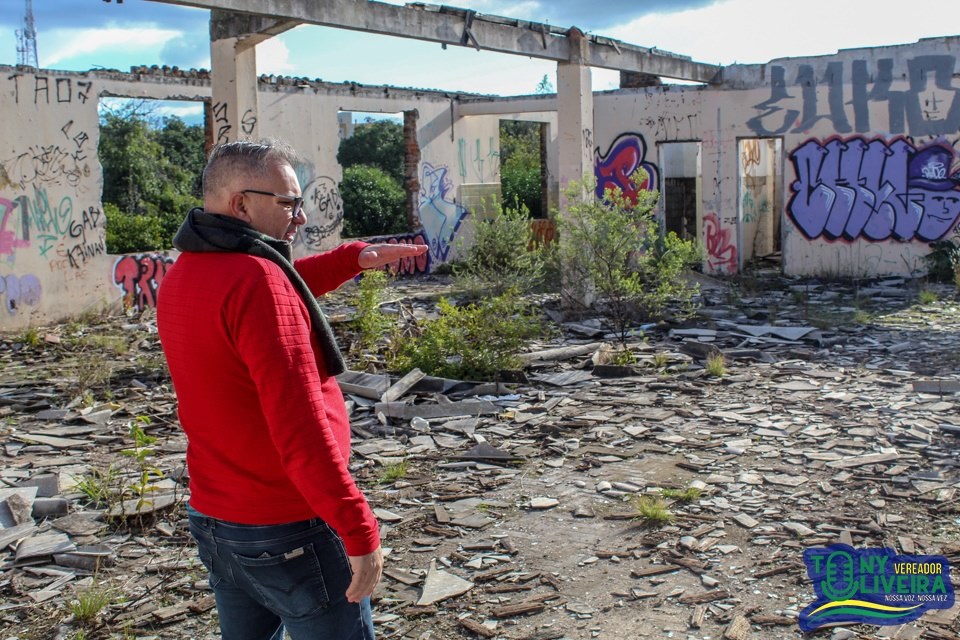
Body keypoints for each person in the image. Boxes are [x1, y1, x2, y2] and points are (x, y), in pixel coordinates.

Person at [156, 139, 428, 640]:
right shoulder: (257, 280)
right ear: (241, 204)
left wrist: (351, 259)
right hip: (287, 527)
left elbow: (275, 287)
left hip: (217, 520)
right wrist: (360, 529)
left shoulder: (188, 272)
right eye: (288, 203)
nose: (300, 217)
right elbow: (300, 430)